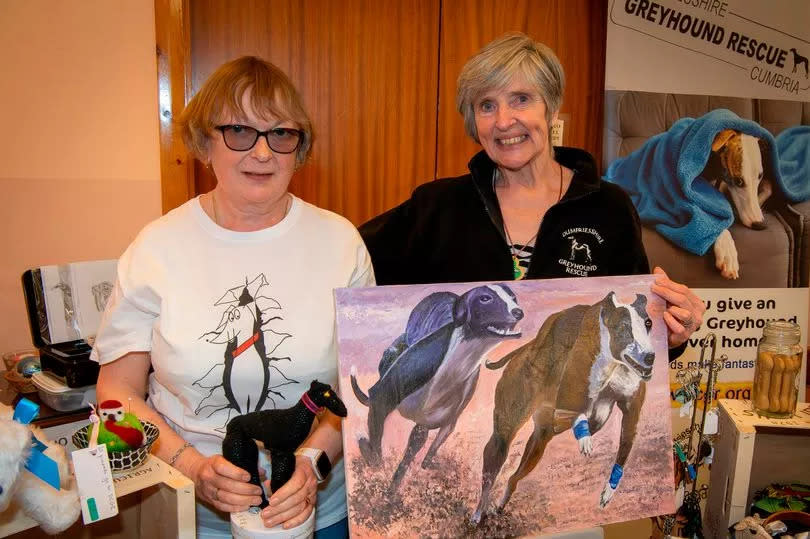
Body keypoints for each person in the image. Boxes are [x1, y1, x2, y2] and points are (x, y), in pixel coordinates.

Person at [91, 56, 374, 538]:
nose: (263, 154)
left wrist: (311, 461)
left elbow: (362, 384)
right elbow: (115, 392)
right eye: (240, 131)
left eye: (282, 134)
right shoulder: (157, 246)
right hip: (191, 515)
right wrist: (194, 466)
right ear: (205, 142)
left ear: (299, 148)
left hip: (317, 510)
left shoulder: (340, 242)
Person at [359, 32, 704, 350]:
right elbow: (351, 264)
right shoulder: (435, 206)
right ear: (473, 121)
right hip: (457, 410)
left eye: (521, 99)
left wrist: (670, 334)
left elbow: (634, 329)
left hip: (566, 413)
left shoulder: (609, 207)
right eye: (487, 105)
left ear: (551, 108)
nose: (504, 121)